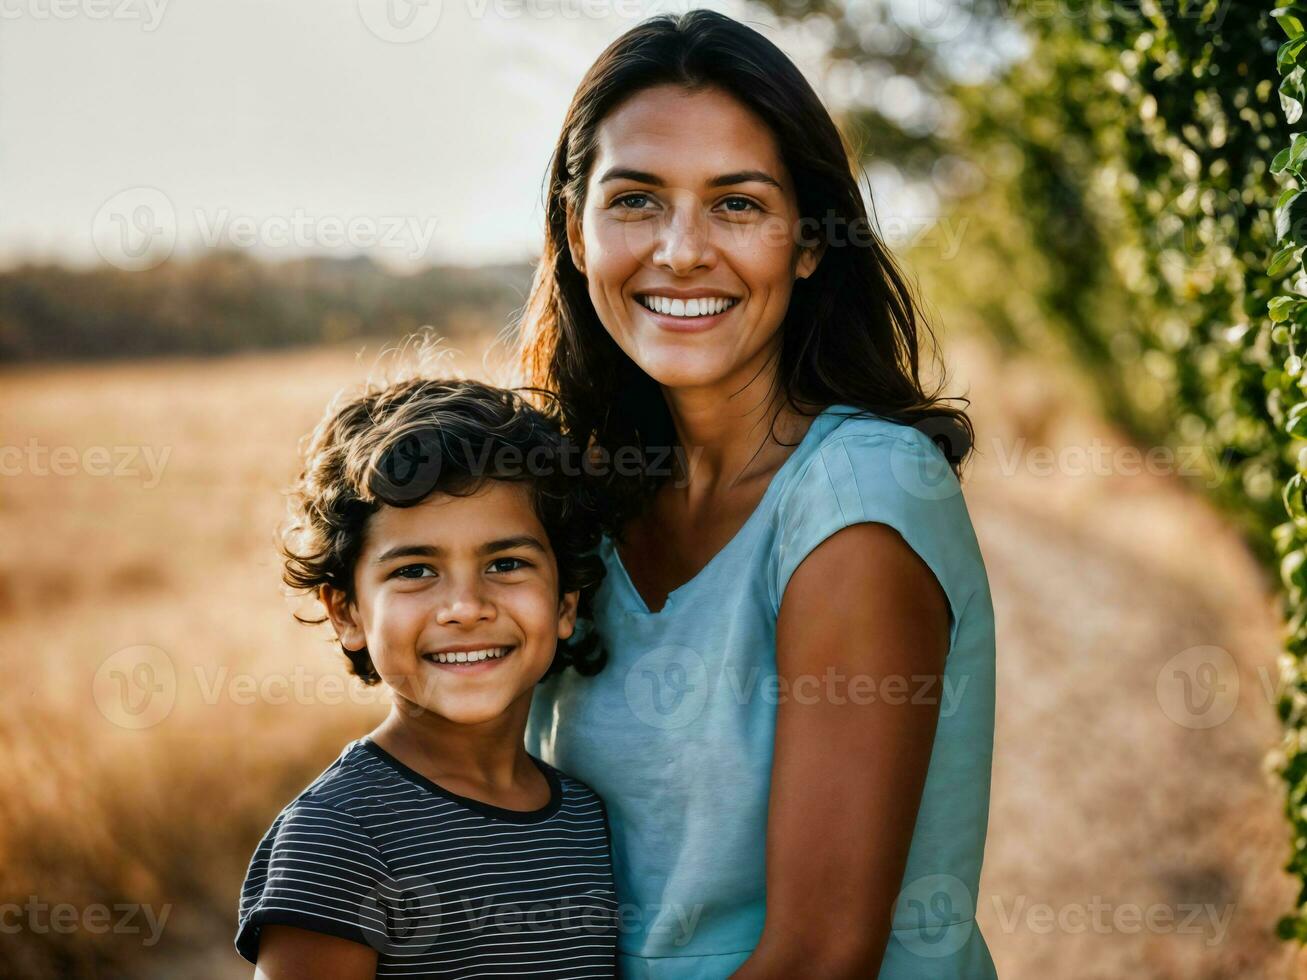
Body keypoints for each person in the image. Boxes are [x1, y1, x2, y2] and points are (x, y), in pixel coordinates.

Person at [519, 10, 997, 978]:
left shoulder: (858, 493)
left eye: (735, 204)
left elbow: (821, 955)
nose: (682, 250)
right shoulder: (575, 500)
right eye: (636, 200)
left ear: (809, 243)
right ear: (575, 233)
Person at [235, 377, 619, 978]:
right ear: (348, 612)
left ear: (566, 601)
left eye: (506, 563)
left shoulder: (585, 818)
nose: (465, 606)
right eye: (416, 570)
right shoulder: (340, 837)